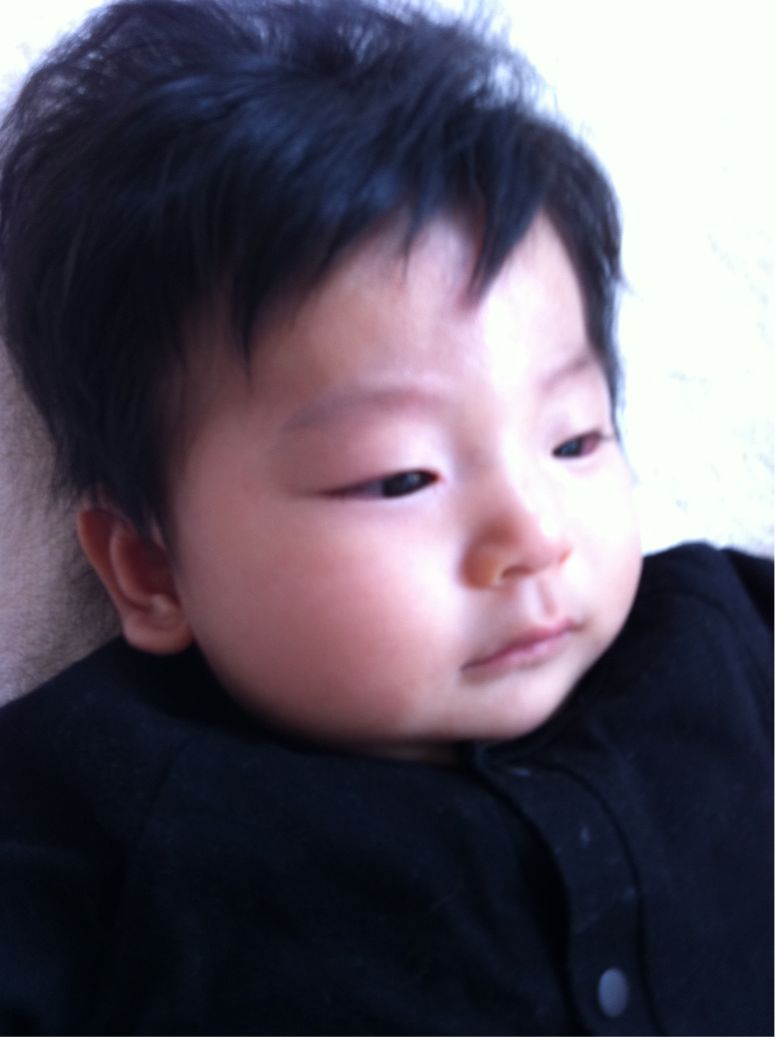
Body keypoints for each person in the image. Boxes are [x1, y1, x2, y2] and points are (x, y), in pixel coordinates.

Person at [0, 0, 771, 1032]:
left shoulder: (717, 636)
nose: (536, 534)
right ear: (152, 569)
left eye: (576, 439)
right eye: (401, 477)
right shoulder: (99, 799)